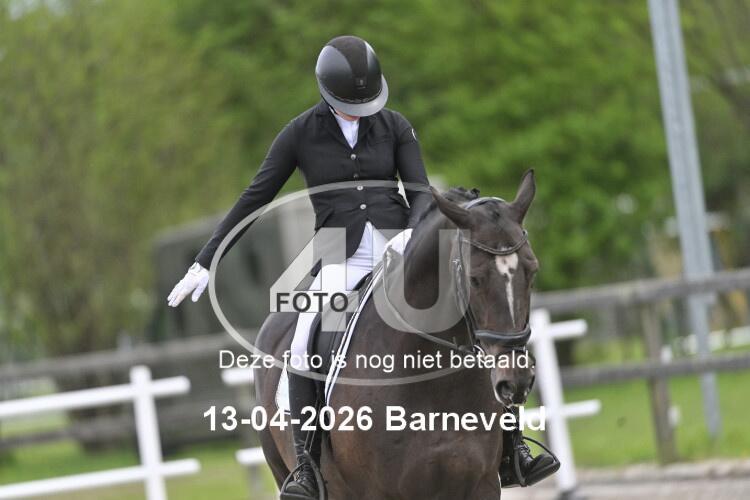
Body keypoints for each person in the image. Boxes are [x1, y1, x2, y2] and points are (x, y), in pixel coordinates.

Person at [167, 35, 554, 499]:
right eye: (351, 107)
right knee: (302, 344)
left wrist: (411, 237)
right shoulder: (300, 133)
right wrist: (206, 260)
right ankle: (307, 465)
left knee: (474, 322)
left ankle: (512, 446)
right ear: (327, 94)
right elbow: (256, 196)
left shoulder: (395, 126)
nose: (361, 114)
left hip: (400, 243)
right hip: (338, 254)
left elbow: (419, 191)